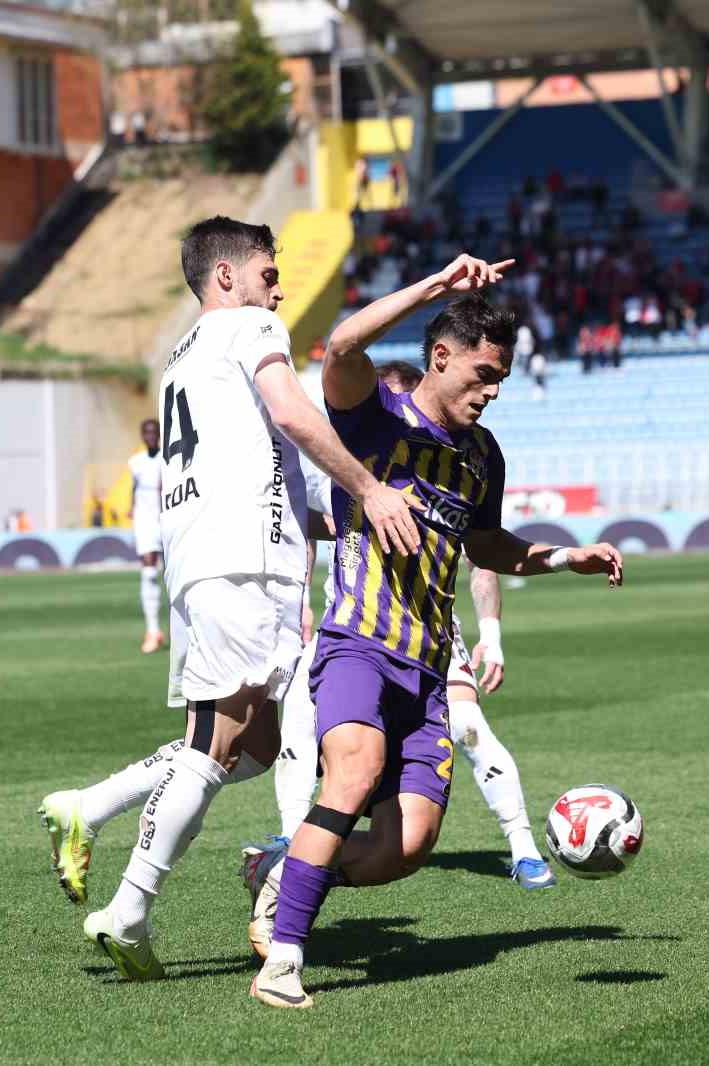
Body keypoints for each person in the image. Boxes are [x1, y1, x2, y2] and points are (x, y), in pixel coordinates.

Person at [36, 216, 420, 982]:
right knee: (226, 743)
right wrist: (368, 487)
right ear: (226, 278)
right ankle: (143, 906)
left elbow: (260, 458)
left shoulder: (182, 356)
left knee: (254, 741)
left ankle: (101, 816)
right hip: (240, 564)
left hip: (216, 561)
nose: (278, 287)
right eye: (268, 273)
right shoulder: (251, 325)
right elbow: (289, 412)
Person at [248, 266, 624, 1009]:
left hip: (428, 669)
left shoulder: (483, 455)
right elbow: (343, 344)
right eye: (484, 374)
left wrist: (561, 557)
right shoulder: (375, 415)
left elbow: (488, 548)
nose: (491, 391)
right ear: (442, 356)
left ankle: (279, 868)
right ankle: (284, 959)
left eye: (502, 381)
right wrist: (432, 288)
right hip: (357, 642)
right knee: (351, 775)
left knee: (406, 848)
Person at [263, 360, 556, 915]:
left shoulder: (457, 458)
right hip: (355, 631)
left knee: (467, 726)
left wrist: (491, 636)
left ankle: (521, 845)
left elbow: (482, 552)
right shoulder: (349, 466)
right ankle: (290, 849)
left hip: (433, 633)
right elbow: (307, 526)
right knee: (304, 730)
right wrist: (297, 599)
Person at [129, 419, 166, 654]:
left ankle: (181, 631)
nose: (151, 436)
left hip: (167, 520)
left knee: (173, 576)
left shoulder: (168, 458)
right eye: (147, 432)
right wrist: (132, 508)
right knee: (149, 574)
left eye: (154, 432)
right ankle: (152, 631)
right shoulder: (135, 462)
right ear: (142, 436)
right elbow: (133, 489)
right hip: (144, 521)